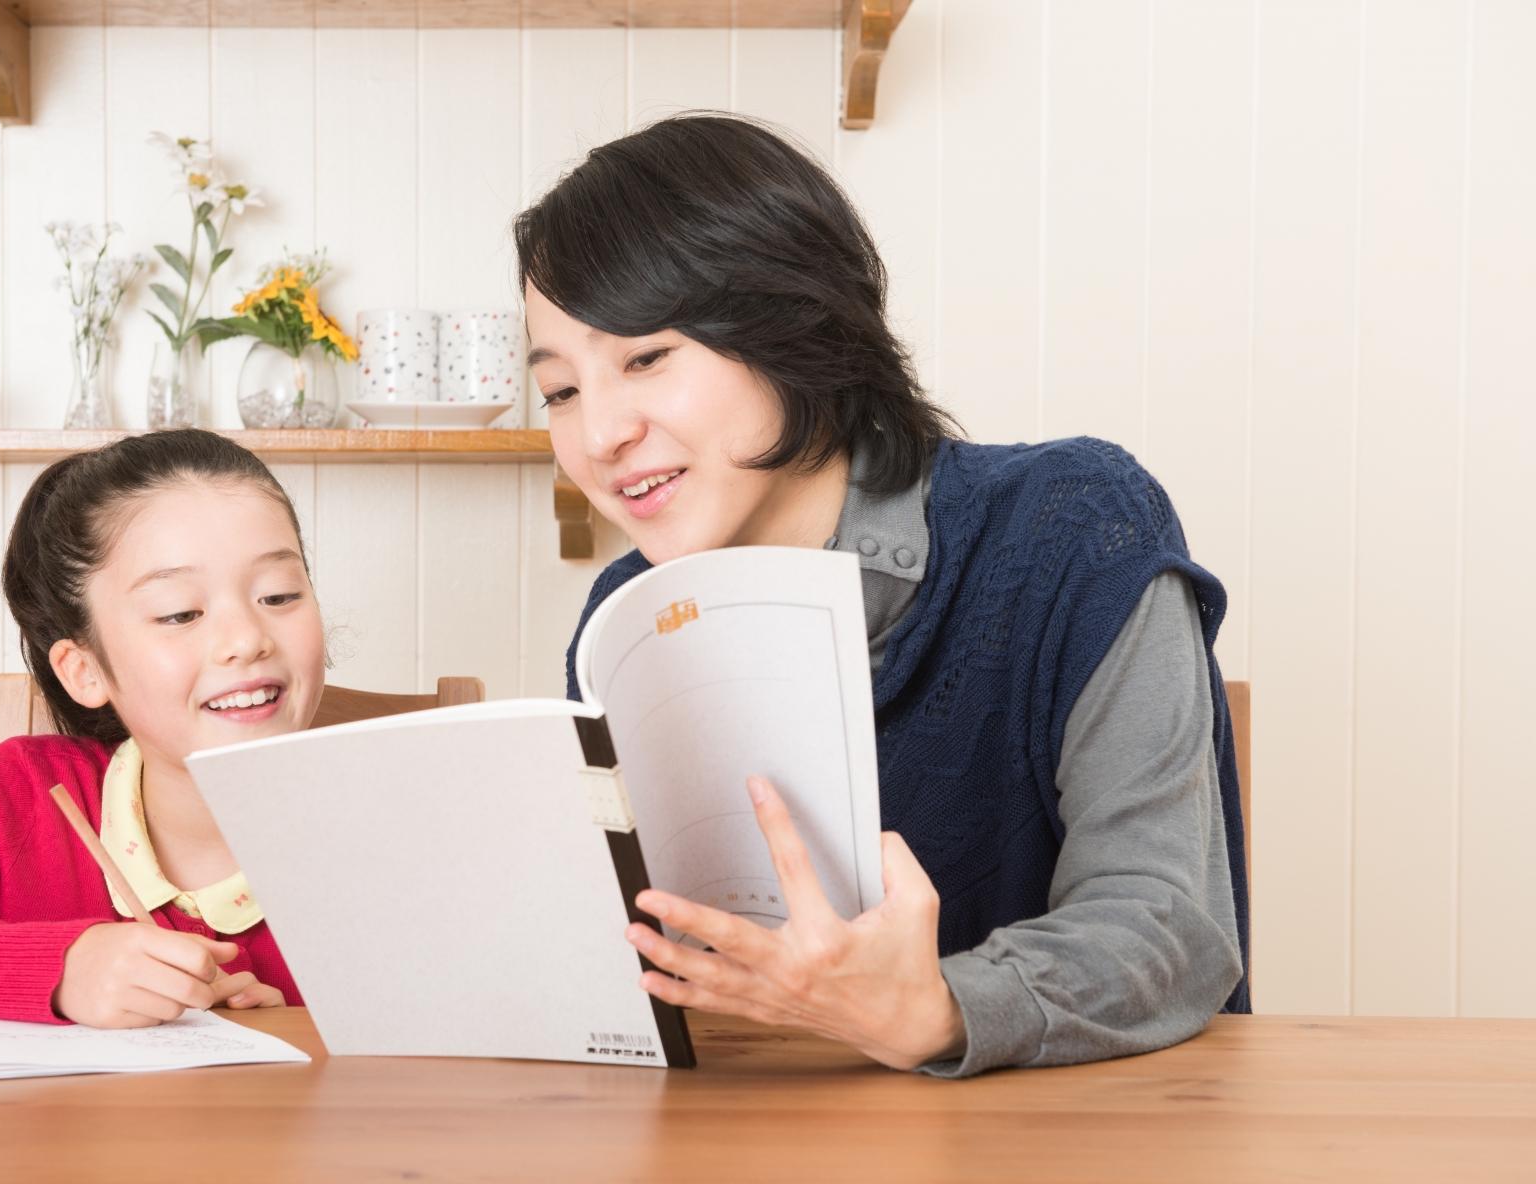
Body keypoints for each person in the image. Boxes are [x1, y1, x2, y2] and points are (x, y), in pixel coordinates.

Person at [517, 112, 1248, 1077]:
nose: (598, 436)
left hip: (1076, 1169)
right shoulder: (628, 621)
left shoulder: (1070, 530)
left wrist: (938, 1011)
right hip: (746, 1171)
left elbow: (1167, 924)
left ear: (793, 322)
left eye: (646, 358)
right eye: (560, 392)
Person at [0, 429, 325, 1028]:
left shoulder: (403, 808)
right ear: (86, 669)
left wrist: (297, 1030)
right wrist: (64, 968)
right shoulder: (22, 798)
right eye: (181, 613)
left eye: (279, 595)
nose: (248, 639)